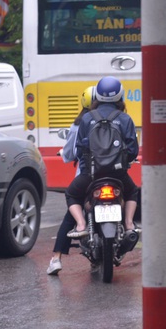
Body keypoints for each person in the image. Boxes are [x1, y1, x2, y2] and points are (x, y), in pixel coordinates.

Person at [64, 76, 140, 240]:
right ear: (120, 96)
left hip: (90, 175)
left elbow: (79, 150)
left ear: (97, 96)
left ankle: (81, 225)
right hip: (118, 174)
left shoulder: (87, 118)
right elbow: (133, 150)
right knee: (132, 192)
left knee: (71, 194)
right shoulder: (125, 119)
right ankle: (128, 224)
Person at [47, 86, 95, 275]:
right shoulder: (117, 119)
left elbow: (70, 152)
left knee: (71, 210)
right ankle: (129, 225)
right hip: (113, 175)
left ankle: (57, 258)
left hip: (85, 175)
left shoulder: (79, 123)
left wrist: (64, 153)